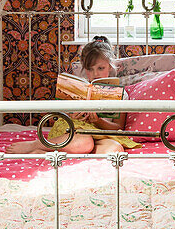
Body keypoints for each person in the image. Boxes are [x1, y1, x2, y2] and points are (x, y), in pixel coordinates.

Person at [7, 36, 138, 155]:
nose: (95, 74)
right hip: (75, 133)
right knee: (85, 143)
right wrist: (72, 116)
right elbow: (59, 117)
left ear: (110, 66)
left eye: (100, 68)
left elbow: (119, 127)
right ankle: (37, 144)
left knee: (115, 150)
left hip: (101, 135)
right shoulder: (78, 89)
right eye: (90, 69)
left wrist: (98, 121)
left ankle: (47, 153)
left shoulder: (121, 94)